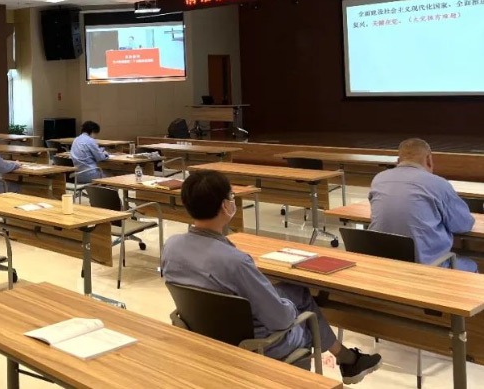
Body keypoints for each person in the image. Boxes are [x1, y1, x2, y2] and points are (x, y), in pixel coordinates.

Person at [162, 170, 381, 384]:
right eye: (232, 196)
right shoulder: (236, 262)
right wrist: (281, 301)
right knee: (302, 303)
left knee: (292, 291)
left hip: (204, 335)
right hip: (259, 345)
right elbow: (281, 320)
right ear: (225, 206)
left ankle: (348, 359)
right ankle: (346, 360)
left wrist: (265, 288)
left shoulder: (171, 246)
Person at [369, 138, 477, 273]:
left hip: (384, 263)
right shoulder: (438, 184)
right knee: (472, 265)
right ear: (429, 160)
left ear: (398, 161)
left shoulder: (378, 179)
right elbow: (463, 225)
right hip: (424, 268)